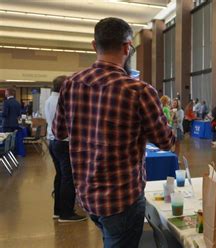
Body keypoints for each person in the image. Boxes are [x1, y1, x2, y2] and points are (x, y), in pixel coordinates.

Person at [52, 17, 175, 248]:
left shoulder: (70, 84)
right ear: (127, 47)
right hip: (122, 198)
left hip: (88, 195)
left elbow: (58, 132)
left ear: (93, 45)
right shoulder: (139, 90)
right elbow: (166, 141)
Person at [45, 75, 87, 223]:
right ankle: (66, 213)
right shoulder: (60, 101)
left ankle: (58, 210)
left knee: (60, 177)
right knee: (68, 178)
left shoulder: (50, 99)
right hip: (64, 142)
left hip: (53, 141)